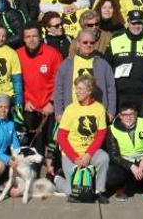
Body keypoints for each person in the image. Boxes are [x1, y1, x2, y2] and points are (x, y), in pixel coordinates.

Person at [54, 74, 111, 203]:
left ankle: (100, 191)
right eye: (76, 88)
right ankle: (57, 178)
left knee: (104, 157)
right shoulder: (70, 109)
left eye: (81, 89)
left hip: (90, 152)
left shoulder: (99, 108)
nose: (77, 92)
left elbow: (100, 135)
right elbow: (61, 137)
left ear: (90, 91)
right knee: (72, 192)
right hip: (70, 154)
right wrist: (75, 158)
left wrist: (88, 155)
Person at [16, 23, 62, 162]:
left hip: (49, 106)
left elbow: (60, 81)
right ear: (23, 39)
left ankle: (52, 171)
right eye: (28, 37)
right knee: (34, 146)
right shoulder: (17, 55)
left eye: (34, 36)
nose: (31, 39)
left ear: (40, 37)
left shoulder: (53, 54)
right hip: (29, 106)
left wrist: (52, 102)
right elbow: (15, 82)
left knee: (52, 143)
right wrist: (23, 101)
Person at [105, 102, 143, 202]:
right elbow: (114, 155)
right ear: (120, 116)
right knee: (112, 175)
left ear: (136, 114)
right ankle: (121, 188)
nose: (128, 118)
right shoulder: (112, 129)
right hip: (125, 164)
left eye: (131, 114)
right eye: (125, 115)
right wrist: (130, 166)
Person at [54, 29, 116, 121]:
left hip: (97, 114)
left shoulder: (103, 64)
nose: (88, 45)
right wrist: (59, 112)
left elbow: (111, 88)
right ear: (78, 43)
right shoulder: (67, 64)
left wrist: (111, 111)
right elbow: (59, 89)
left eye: (91, 42)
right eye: (85, 42)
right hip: (72, 115)